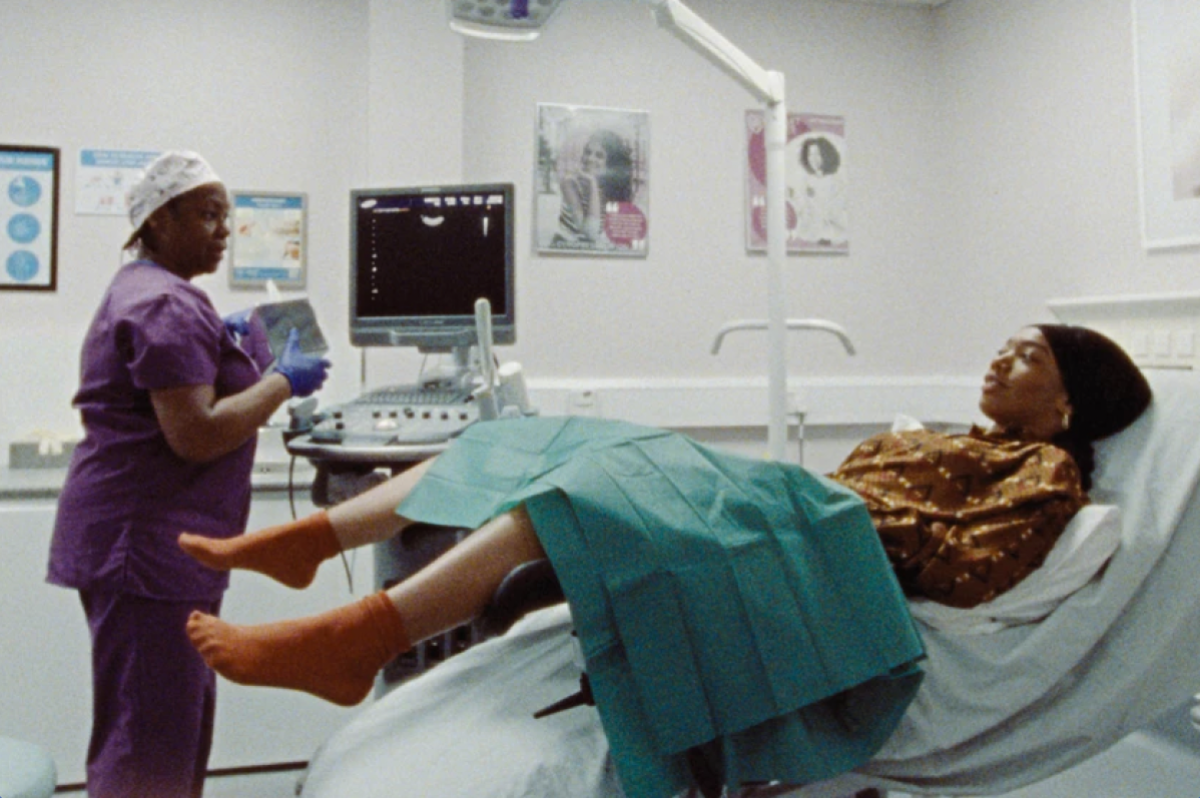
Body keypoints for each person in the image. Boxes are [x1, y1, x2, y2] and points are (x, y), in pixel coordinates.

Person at [178, 324, 1150, 798]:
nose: (999, 360)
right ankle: (315, 545)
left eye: (1026, 356)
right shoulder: (952, 438)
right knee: (547, 437)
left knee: (587, 489)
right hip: (797, 516)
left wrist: (859, 519)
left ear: (1066, 403)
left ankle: (358, 637)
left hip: (837, 556)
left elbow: (966, 576)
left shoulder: (1044, 478)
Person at [46, 151, 332, 798]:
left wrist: (231, 339)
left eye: (226, 216)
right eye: (207, 215)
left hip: (157, 549)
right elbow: (197, 435)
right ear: (159, 219)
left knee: (167, 724)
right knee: (150, 741)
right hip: (144, 548)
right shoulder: (163, 306)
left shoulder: (161, 296)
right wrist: (285, 379)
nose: (224, 230)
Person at [551, 128, 635, 249]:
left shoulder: (613, 190)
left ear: (611, 162)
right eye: (588, 152)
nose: (590, 158)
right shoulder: (570, 182)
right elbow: (590, 232)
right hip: (567, 250)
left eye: (599, 156)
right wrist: (592, 184)